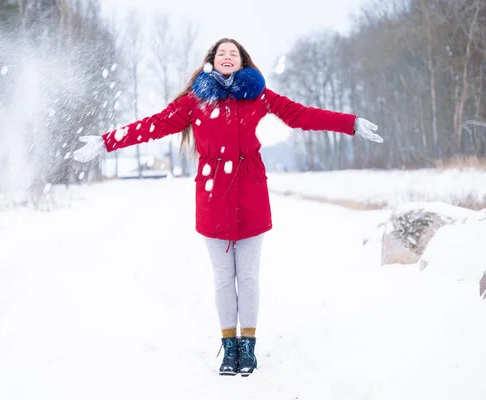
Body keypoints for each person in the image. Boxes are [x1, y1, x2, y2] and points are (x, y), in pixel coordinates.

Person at [73, 38, 383, 377]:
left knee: (248, 277)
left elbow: (301, 115)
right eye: (221, 53)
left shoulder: (260, 96)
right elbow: (153, 125)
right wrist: (107, 141)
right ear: (212, 61)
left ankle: (248, 347)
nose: (227, 57)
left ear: (242, 61)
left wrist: (350, 123)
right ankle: (229, 347)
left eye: (232, 53)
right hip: (213, 196)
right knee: (223, 278)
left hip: (251, 194)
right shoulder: (195, 101)